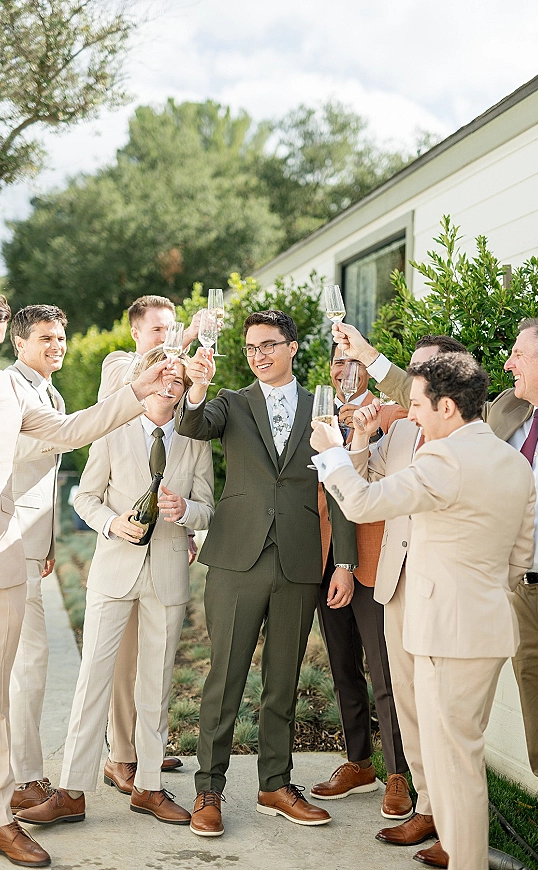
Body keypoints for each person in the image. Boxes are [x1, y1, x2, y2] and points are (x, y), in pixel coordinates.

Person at [336, 317, 538, 870]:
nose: (507, 364)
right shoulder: (506, 430)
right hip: (509, 606)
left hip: (521, 609)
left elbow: (365, 500)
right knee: (536, 746)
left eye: (518, 353)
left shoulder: (452, 451)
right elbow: (517, 554)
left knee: (457, 756)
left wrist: (334, 454)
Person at [0, 289, 175, 868]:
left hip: (4, 554)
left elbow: (72, 430)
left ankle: (3, 808)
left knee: (3, 685)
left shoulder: (9, 391)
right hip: (13, 551)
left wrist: (139, 391)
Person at [176, 310, 357, 836]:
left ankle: (275, 784)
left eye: (269, 345)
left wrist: (342, 562)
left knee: (283, 681)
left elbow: (339, 487)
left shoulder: (321, 407)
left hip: (300, 560)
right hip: (236, 558)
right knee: (224, 677)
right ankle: (208, 788)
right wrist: (197, 386)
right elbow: (192, 424)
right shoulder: (230, 403)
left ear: (294, 347)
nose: (258, 355)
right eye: (251, 347)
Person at [16, 351, 214, 827]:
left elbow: (209, 506)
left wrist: (185, 510)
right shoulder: (112, 429)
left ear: (186, 384)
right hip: (113, 572)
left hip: (167, 575)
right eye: (162, 375)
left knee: (157, 685)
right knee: (92, 684)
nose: (170, 384)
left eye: (178, 377)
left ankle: (148, 786)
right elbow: (82, 497)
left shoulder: (194, 439)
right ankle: (72, 790)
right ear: (145, 379)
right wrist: (111, 524)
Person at [98, 295, 201, 780]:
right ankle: (121, 755)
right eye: (158, 331)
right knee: (124, 660)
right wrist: (185, 338)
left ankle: (147, 752)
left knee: (156, 663)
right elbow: (136, 381)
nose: (167, 340)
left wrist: (186, 523)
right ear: (137, 333)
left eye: (171, 329)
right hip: (122, 552)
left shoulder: (173, 393)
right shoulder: (118, 365)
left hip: (166, 547)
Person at [310, 343, 411, 818]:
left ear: (368, 370)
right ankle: (358, 763)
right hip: (323, 558)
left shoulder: (392, 417)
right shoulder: (319, 418)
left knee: (384, 670)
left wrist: (349, 566)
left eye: (353, 362)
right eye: (336, 362)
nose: (343, 371)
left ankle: (398, 774)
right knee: (344, 667)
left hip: (371, 561)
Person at [7, 306, 70, 815]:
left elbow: (42, 480)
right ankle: (23, 778)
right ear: (18, 343)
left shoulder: (51, 392)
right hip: (4, 544)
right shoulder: (10, 390)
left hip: (29, 547)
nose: (58, 344)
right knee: (27, 662)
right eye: (46, 337)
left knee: (21, 662)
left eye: (61, 336)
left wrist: (47, 544)